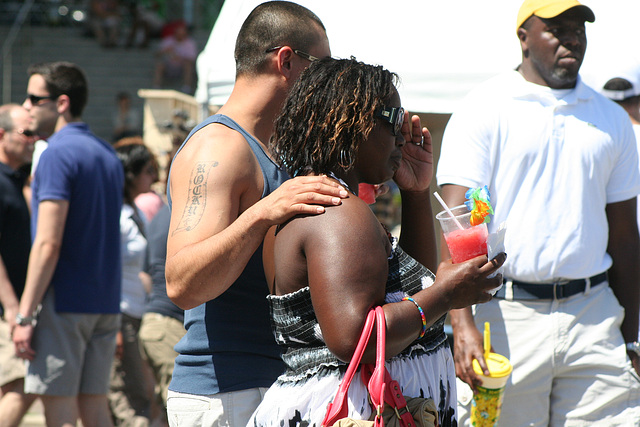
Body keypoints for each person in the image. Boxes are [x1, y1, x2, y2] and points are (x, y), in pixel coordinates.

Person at [249, 57, 505, 426]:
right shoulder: (337, 212)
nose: (403, 134)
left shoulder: (327, 201)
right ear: (350, 121)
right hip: (357, 411)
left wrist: (415, 193)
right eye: (393, 119)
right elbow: (355, 339)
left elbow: (404, 291)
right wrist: (447, 295)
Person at [436, 0, 640, 425]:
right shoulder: (484, 107)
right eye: (556, 27)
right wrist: (463, 325)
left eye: (579, 27)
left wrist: (631, 339)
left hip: (594, 316)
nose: (572, 37)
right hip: (505, 314)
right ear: (523, 37)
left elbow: (624, 237)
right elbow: (457, 226)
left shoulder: (611, 119)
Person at [165, 2, 349, 425]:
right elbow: (181, 283)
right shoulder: (219, 147)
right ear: (286, 60)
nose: (325, 85)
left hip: (267, 387)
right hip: (226, 394)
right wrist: (263, 212)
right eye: (321, 69)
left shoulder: (274, 149)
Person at [13, 61, 124, 427]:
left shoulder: (56, 154)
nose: (25, 105)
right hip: (104, 301)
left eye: (33, 98)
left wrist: (25, 315)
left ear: (61, 103)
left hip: (64, 302)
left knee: (58, 411)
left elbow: (47, 243)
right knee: (95, 407)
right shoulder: (107, 154)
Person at [109, 142, 158, 426]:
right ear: (131, 175)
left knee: (142, 392)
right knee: (130, 394)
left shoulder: (134, 212)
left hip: (137, 314)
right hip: (122, 315)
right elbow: (107, 272)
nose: (153, 177)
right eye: (148, 171)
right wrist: (114, 324)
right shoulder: (118, 218)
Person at [0, 104, 38, 426]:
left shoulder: (14, 181)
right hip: (5, 310)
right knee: (23, 384)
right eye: (26, 133)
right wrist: (13, 307)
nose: (33, 140)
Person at [152, 21, 198, 93]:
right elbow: (156, 54)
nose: (179, 36)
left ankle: (186, 87)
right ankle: (156, 86)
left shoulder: (190, 43)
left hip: (181, 67)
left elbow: (192, 59)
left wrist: (179, 58)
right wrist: (164, 51)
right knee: (160, 64)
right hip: (169, 66)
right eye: (178, 33)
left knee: (188, 65)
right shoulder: (168, 41)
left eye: (181, 34)